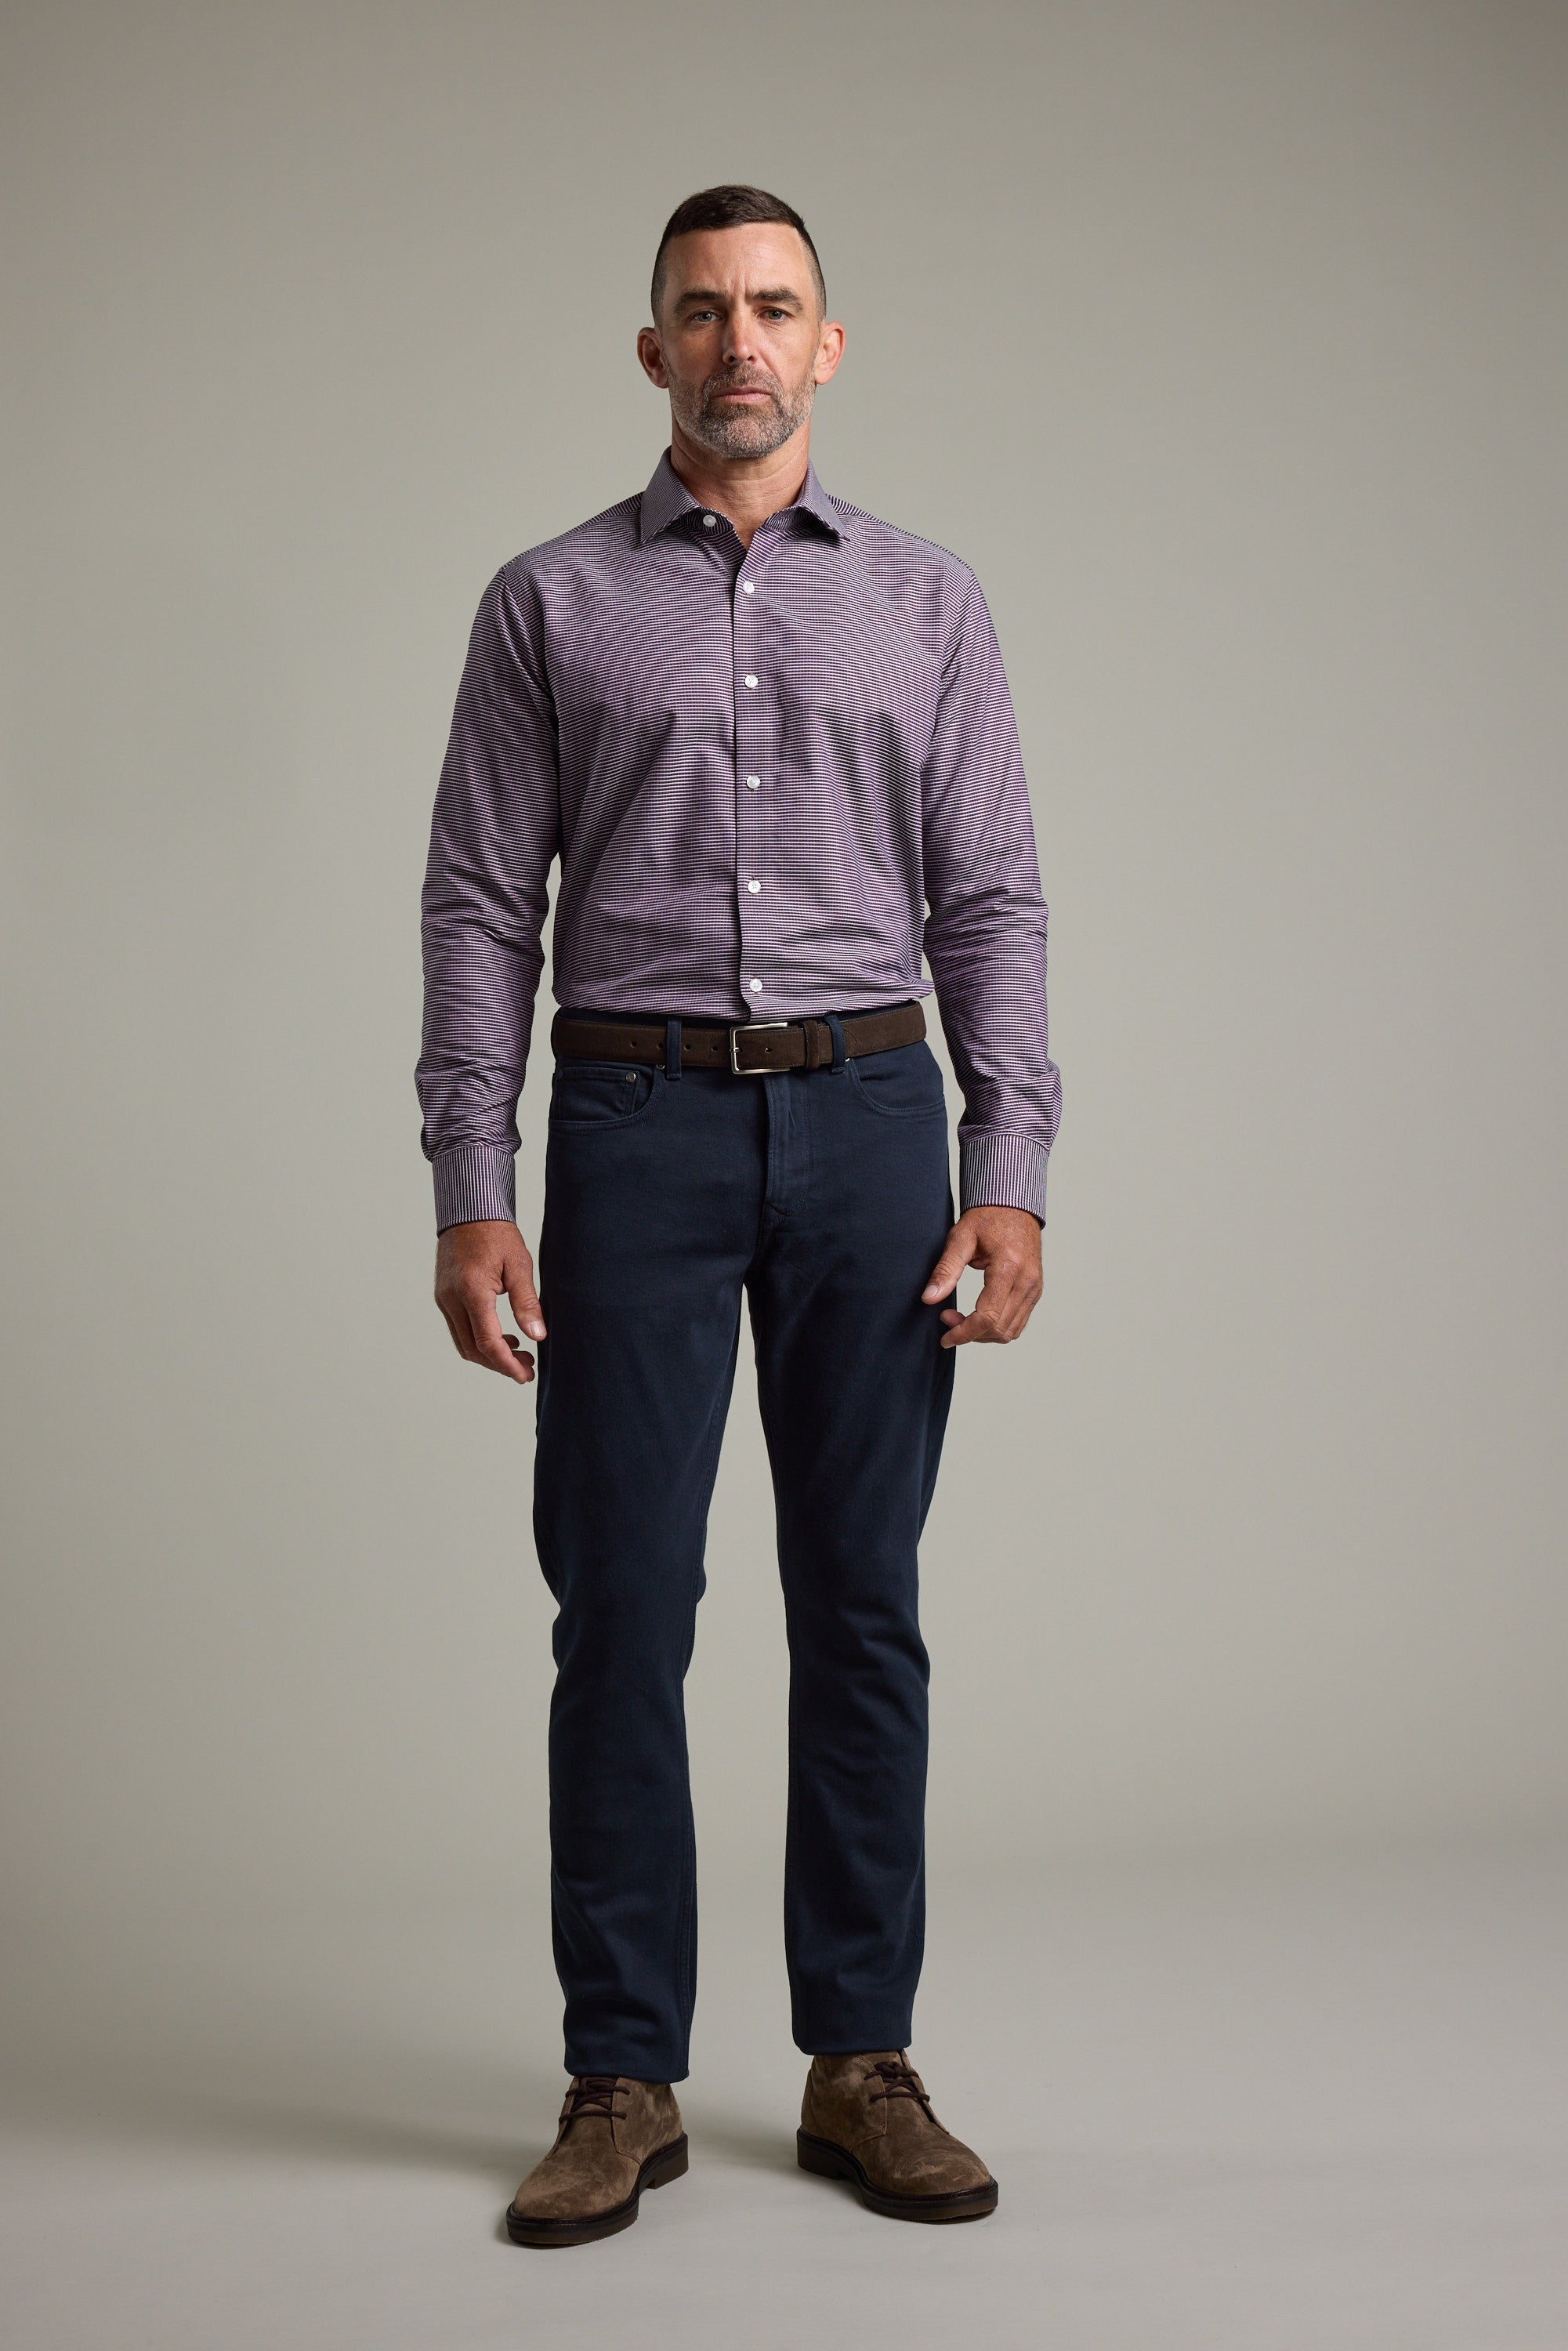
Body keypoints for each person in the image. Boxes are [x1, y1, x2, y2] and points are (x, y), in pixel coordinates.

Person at [417, 183, 1061, 2245]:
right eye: (700, 313)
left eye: (774, 308)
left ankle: (860, 2060)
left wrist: (1009, 1167)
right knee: (623, 1608)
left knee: (859, 1608)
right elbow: (473, 902)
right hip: (634, 1124)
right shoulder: (547, 602)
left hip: (876, 1122)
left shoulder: (927, 602)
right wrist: (470, 1181)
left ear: (830, 344)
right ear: (650, 352)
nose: (740, 345)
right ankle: (622, 2076)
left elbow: (990, 898)